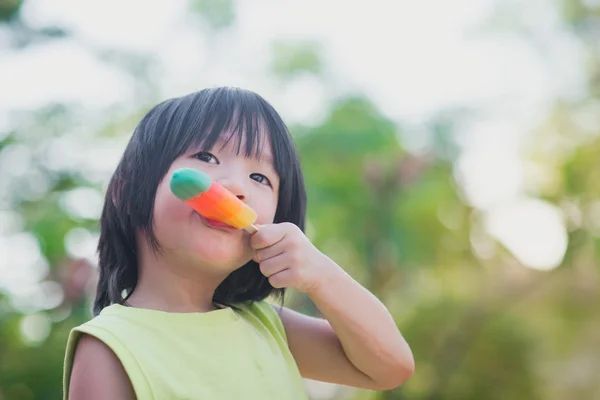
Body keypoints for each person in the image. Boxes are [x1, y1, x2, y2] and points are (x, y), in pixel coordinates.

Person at [63, 87, 414, 399]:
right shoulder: (110, 346)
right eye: (206, 158)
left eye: (260, 177)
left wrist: (323, 276)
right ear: (127, 191)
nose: (235, 186)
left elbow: (390, 368)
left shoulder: (267, 325)